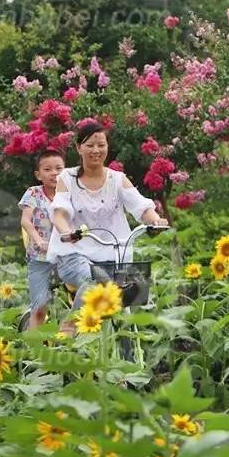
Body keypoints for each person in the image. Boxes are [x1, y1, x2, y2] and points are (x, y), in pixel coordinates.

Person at [48, 119, 168, 334]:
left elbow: (141, 207)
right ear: (78, 148)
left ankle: (129, 359)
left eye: (101, 145)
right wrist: (66, 231)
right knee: (95, 283)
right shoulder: (67, 178)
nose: (96, 150)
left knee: (128, 302)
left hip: (115, 256)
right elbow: (60, 212)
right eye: (90, 145)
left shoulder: (117, 179)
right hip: (75, 254)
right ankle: (69, 335)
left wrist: (155, 220)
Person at [18, 149, 65, 329]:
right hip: (40, 257)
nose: (54, 173)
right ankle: (33, 351)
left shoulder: (69, 194)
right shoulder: (33, 193)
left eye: (59, 169)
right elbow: (26, 221)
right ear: (38, 175)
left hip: (66, 256)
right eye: (48, 169)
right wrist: (38, 240)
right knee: (39, 307)